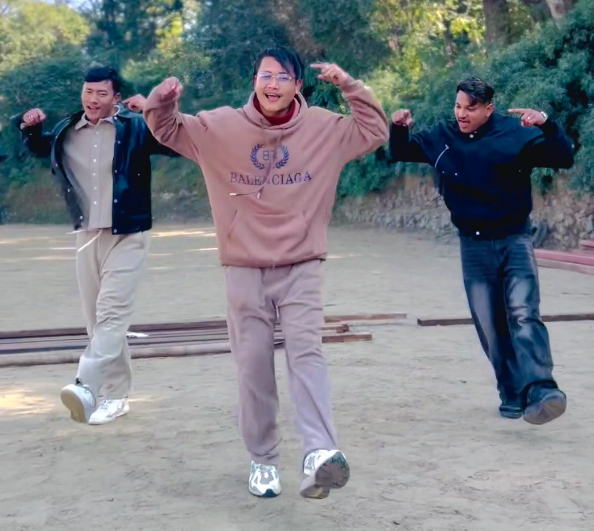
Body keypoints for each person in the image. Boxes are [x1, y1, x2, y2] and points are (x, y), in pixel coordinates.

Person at [143, 47, 388, 499]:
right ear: (254, 80)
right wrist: (163, 99)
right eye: (265, 75)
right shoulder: (221, 127)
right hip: (244, 268)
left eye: (282, 77)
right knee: (253, 367)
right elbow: (166, 129)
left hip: (301, 265)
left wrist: (349, 86)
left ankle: (319, 452)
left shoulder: (325, 129)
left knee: (307, 354)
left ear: (298, 85)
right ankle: (262, 459)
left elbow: (374, 130)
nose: (272, 84)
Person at [387, 77, 574, 425]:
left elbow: (563, 157)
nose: (462, 114)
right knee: (490, 324)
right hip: (473, 246)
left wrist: (547, 124)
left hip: (515, 240)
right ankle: (512, 393)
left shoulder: (514, 134)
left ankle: (541, 389)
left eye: (471, 108)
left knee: (523, 312)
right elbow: (400, 151)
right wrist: (398, 128)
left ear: (489, 109)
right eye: (458, 106)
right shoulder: (443, 138)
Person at [17, 66, 176, 425]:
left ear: (116, 98)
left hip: (128, 234)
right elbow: (40, 148)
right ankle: (116, 397)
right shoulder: (67, 130)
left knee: (111, 315)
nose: (92, 99)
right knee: (96, 322)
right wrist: (30, 126)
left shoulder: (136, 128)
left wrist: (154, 111)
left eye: (101, 93)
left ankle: (85, 385)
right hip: (86, 236)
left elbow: (174, 142)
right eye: (88, 92)